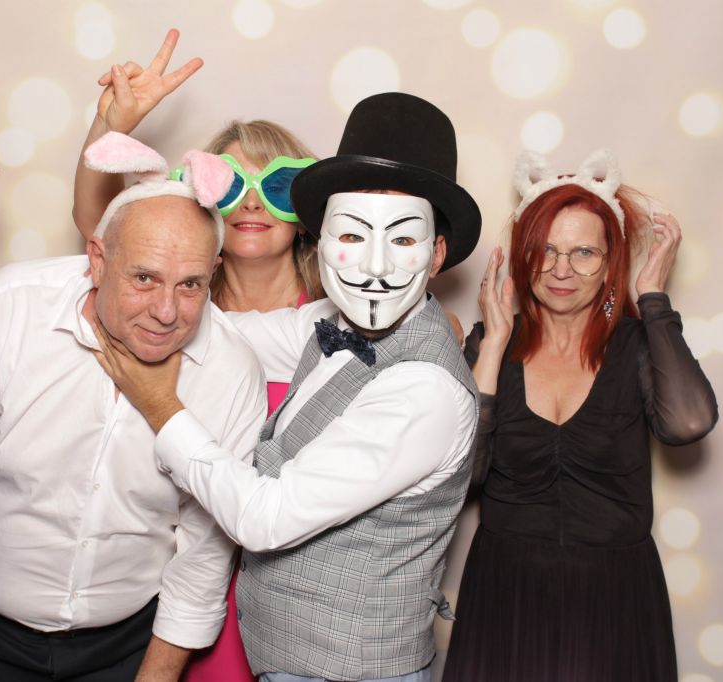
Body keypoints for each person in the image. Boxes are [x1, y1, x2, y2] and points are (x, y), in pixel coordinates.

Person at [93, 92, 482, 682]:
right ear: (321, 241)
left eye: (403, 240)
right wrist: (146, 280)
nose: (375, 268)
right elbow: (226, 330)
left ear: (436, 255)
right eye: (353, 236)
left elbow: (265, 517)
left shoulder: (424, 387)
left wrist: (163, 408)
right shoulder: (326, 322)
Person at [0, 135, 266, 682]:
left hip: (127, 645)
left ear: (213, 271)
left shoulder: (232, 369)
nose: (166, 311)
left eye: (191, 285)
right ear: (97, 259)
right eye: (144, 278)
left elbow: (203, 555)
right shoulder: (6, 309)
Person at [71, 30, 323, 682]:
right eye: (232, 183)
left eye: (279, 185)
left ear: (308, 211)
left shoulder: (336, 327)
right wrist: (111, 125)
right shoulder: (168, 315)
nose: (253, 202)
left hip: (299, 589)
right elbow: (103, 230)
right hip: (183, 588)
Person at [442, 149, 718, 681]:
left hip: (615, 598)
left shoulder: (638, 345)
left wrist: (653, 299)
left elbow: (688, 424)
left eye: (584, 252)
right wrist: (493, 345)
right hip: (505, 594)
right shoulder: (492, 345)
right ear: (523, 257)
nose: (561, 269)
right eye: (545, 250)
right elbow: (461, 477)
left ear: (611, 263)